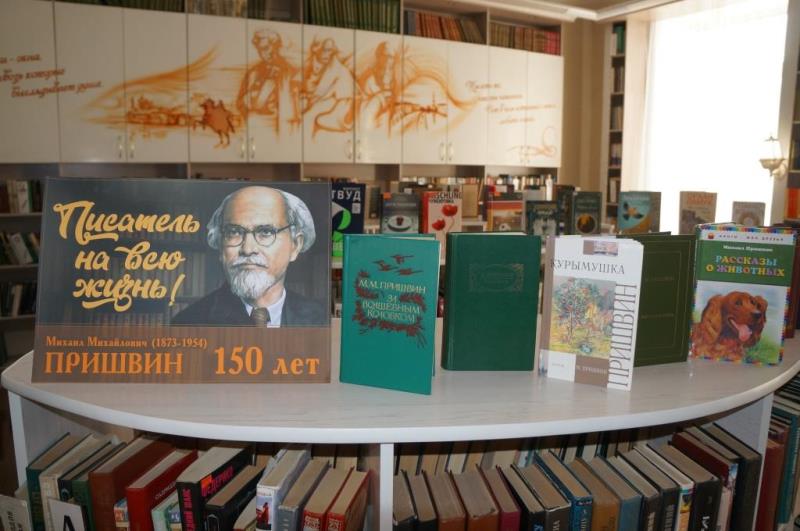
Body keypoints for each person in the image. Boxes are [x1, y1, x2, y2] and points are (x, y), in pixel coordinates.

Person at [171, 186, 326, 327]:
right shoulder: (188, 323)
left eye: (265, 232)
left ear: (295, 245)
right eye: (234, 232)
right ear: (220, 244)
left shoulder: (322, 320)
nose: (248, 249)